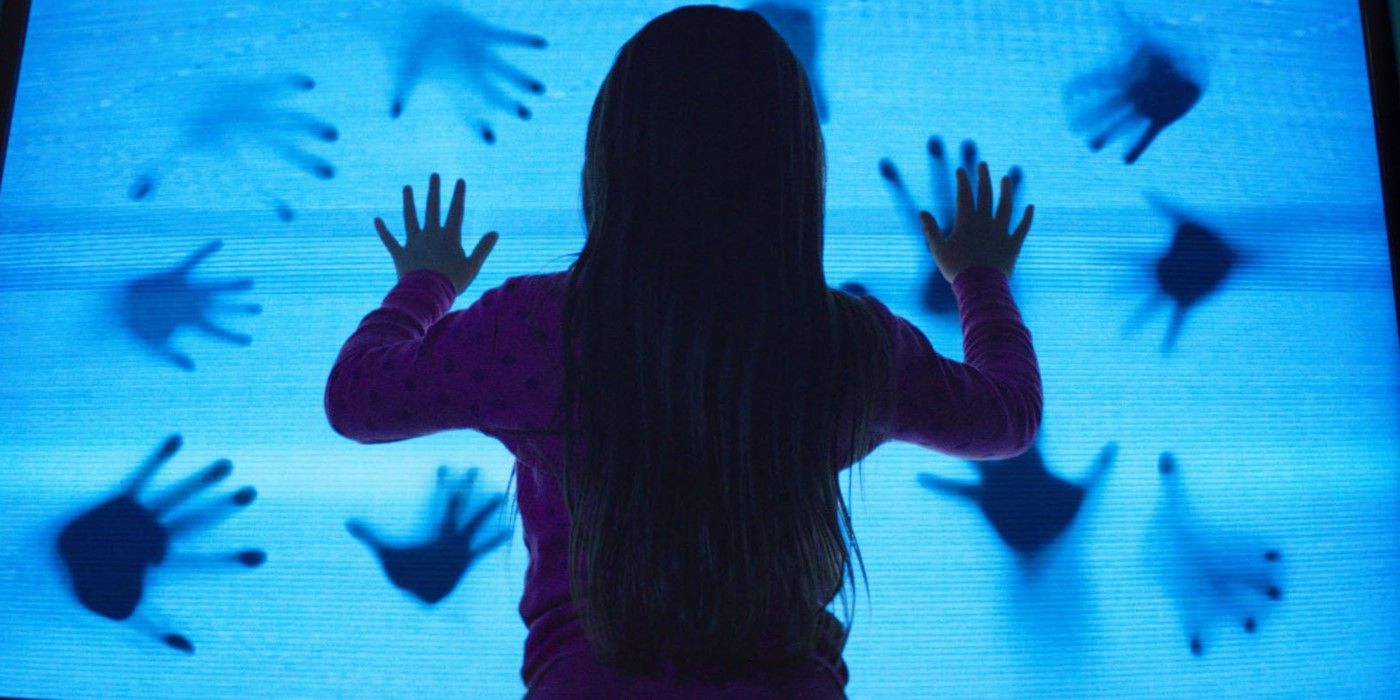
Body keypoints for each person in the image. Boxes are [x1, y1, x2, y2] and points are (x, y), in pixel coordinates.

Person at [324, 5, 1041, 698]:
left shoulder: (539, 328)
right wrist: (979, 278)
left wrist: (426, 285)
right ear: (797, 169)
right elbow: (1007, 417)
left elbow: (358, 399)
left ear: (611, 157)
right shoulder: (844, 345)